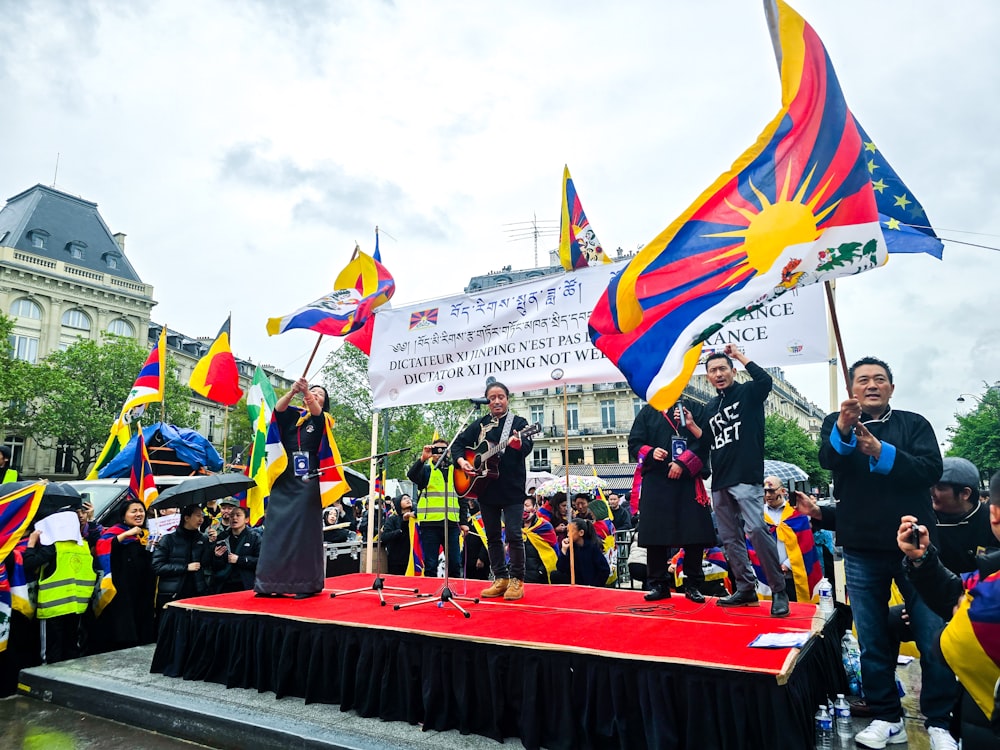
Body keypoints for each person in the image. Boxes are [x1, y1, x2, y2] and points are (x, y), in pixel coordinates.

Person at [819, 356, 951, 749]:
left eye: (879, 379)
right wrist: (843, 428)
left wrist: (881, 451)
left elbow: (929, 469)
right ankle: (885, 715)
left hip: (915, 546)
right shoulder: (835, 423)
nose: (871, 385)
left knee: (933, 636)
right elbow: (830, 461)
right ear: (852, 390)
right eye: (862, 380)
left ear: (891, 388)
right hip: (861, 547)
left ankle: (940, 721)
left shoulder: (914, 424)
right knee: (872, 638)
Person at [898, 471, 1000, 750]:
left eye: (940, 487)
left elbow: (960, 612)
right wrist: (922, 559)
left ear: (994, 516)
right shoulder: (988, 579)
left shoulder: (989, 592)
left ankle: (940, 721)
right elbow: (957, 593)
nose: (932, 492)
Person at [700, 344, 789, 617]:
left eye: (722, 369)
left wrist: (738, 354)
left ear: (732, 371)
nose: (718, 374)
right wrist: (691, 424)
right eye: (713, 370)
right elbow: (706, 441)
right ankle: (745, 588)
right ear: (708, 377)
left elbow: (765, 381)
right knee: (729, 538)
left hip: (746, 475)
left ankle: (778, 590)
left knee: (757, 530)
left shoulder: (748, 392)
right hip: (720, 479)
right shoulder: (711, 406)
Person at [254, 378, 335, 599]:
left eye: (320, 394)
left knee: (303, 533)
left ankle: (304, 583)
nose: (316, 395)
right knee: (276, 530)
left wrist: (308, 392)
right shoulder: (294, 415)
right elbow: (278, 409)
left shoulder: (323, 419)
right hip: (284, 475)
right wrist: (292, 392)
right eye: (313, 391)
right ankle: (270, 582)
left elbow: (317, 412)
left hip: (307, 479)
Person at [454, 381, 532, 601]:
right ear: (487, 401)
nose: (497, 401)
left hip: (512, 488)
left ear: (508, 399)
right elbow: (458, 444)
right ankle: (500, 578)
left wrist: (518, 444)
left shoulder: (519, 423)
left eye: (501, 397)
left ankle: (517, 580)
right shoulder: (479, 424)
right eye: (492, 398)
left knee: (515, 535)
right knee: (492, 536)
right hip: (485, 489)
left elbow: (526, 447)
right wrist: (462, 461)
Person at [629, 400, 714, 603]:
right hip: (657, 480)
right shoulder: (647, 412)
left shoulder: (695, 410)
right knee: (656, 535)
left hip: (687, 481)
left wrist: (683, 463)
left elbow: (705, 442)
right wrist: (650, 451)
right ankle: (659, 584)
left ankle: (693, 584)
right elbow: (634, 443)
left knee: (694, 534)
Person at [23, 508, 97, 663]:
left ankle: (48, 683)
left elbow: (28, 563)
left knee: (51, 651)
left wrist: (31, 543)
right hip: (77, 606)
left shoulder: (54, 547)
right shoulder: (83, 545)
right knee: (71, 648)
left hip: (52, 608)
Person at [89, 500, 156, 653]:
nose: (139, 514)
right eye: (134, 511)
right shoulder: (116, 532)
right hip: (121, 588)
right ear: (123, 516)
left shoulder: (146, 534)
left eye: (141, 510)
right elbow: (102, 547)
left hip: (142, 589)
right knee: (123, 626)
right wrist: (126, 534)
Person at [407, 438, 469, 578]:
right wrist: (423, 458)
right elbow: (411, 475)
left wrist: (464, 522)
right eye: (436, 450)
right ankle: (431, 594)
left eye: (443, 450)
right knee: (430, 564)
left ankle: (454, 591)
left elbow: (462, 498)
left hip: (452, 524)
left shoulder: (456, 471)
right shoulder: (427, 470)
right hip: (430, 524)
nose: (440, 453)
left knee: (455, 563)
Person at [757, 476, 821, 603]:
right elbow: (753, 544)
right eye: (764, 491)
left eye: (771, 491)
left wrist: (787, 565)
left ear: (783, 491)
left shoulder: (796, 513)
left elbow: (805, 544)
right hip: (767, 575)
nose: (768, 495)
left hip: (793, 575)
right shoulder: (758, 515)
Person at [932, 457, 998, 575]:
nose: (932, 493)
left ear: (965, 493)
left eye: (940, 488)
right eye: (931, 486)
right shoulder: (924, 521)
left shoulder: (992, 521)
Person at [151, 504, 212, 613]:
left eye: (202, 516)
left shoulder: (203, 539)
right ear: (186, 518)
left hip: (197, 593)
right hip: (173, 594)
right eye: (198, 516)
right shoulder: (168, 539)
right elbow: (158, 567)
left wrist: (212, 545)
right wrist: (185, 567)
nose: (201, 519)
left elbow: (207, 564)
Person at [211, 506, 260, 593]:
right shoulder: (222, 536)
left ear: (246, 519)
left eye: (238, 515)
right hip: (224, 585)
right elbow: (215, 566)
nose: (234, 518)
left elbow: (261, 561)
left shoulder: (254, 537)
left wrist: (239, 560)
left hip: (246, 585)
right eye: (232, 516)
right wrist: (217, 557)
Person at [554, 519, 610, 587]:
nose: (568, 535)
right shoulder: (570, 548)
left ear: (581, 533)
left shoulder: (592, 548)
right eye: (567, 531)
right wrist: (563, 550)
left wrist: (594, 585)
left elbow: (605, 570)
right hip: (576, 585)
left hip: (591, 586)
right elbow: (561, 569)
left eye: (571, 531)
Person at [380, 495, 416, 575]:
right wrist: (400, 531)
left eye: (409, 498)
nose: (408, 500)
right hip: (397, 561)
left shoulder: (416, 518)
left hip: (414, 560)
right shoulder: (393, 519)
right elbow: (385, 536)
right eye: (404, 499)